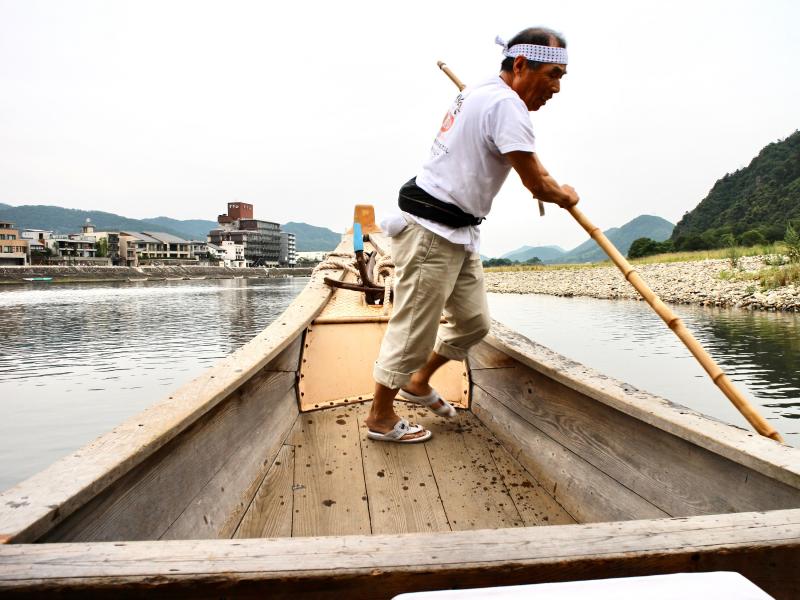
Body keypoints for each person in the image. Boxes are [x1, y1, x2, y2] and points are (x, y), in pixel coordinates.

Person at [366, 27, 580, 442]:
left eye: (561, 78)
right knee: (413, 329)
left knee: (475, 322)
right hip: (431, 232)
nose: (555, 87)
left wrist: (545, 179)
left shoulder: (487, 93)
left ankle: (418, 381)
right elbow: (538, 185)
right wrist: (565, 195)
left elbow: (527, 163)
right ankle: (380, 417)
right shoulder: (506, 106)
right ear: (520, 64)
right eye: (552, 74)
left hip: (459, 232)